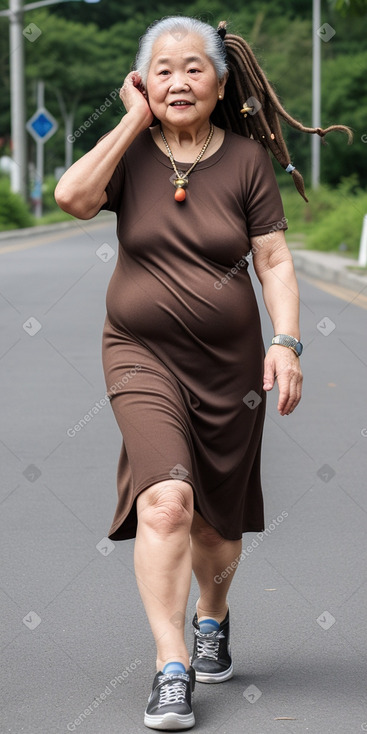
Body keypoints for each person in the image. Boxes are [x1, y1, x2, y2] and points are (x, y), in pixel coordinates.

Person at [55, 16, 352, 731]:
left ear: (219, 84)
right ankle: (170, 664)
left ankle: (211, 616)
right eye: (161, 69)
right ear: (140, 82)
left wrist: (285, 341)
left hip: (228, 366)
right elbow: (72, 197)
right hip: (138, 352)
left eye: (193, 68)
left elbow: (274, 262)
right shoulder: (129, 153)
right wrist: (130, 123)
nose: (177, 81)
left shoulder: (246, 163)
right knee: (166, 502)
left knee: (217, 522)